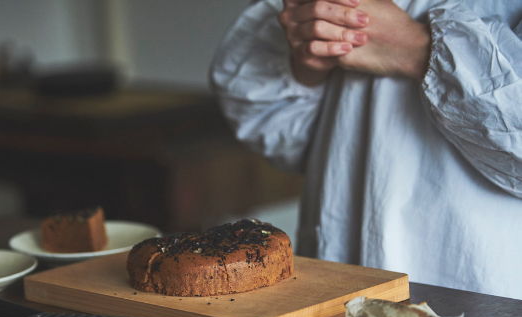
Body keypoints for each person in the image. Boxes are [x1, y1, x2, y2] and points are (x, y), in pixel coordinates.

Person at [209, 0, 522, 299]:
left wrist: (418, 48)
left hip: (483, 283)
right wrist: (307, 62)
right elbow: (285, 138)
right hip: (338, 262)